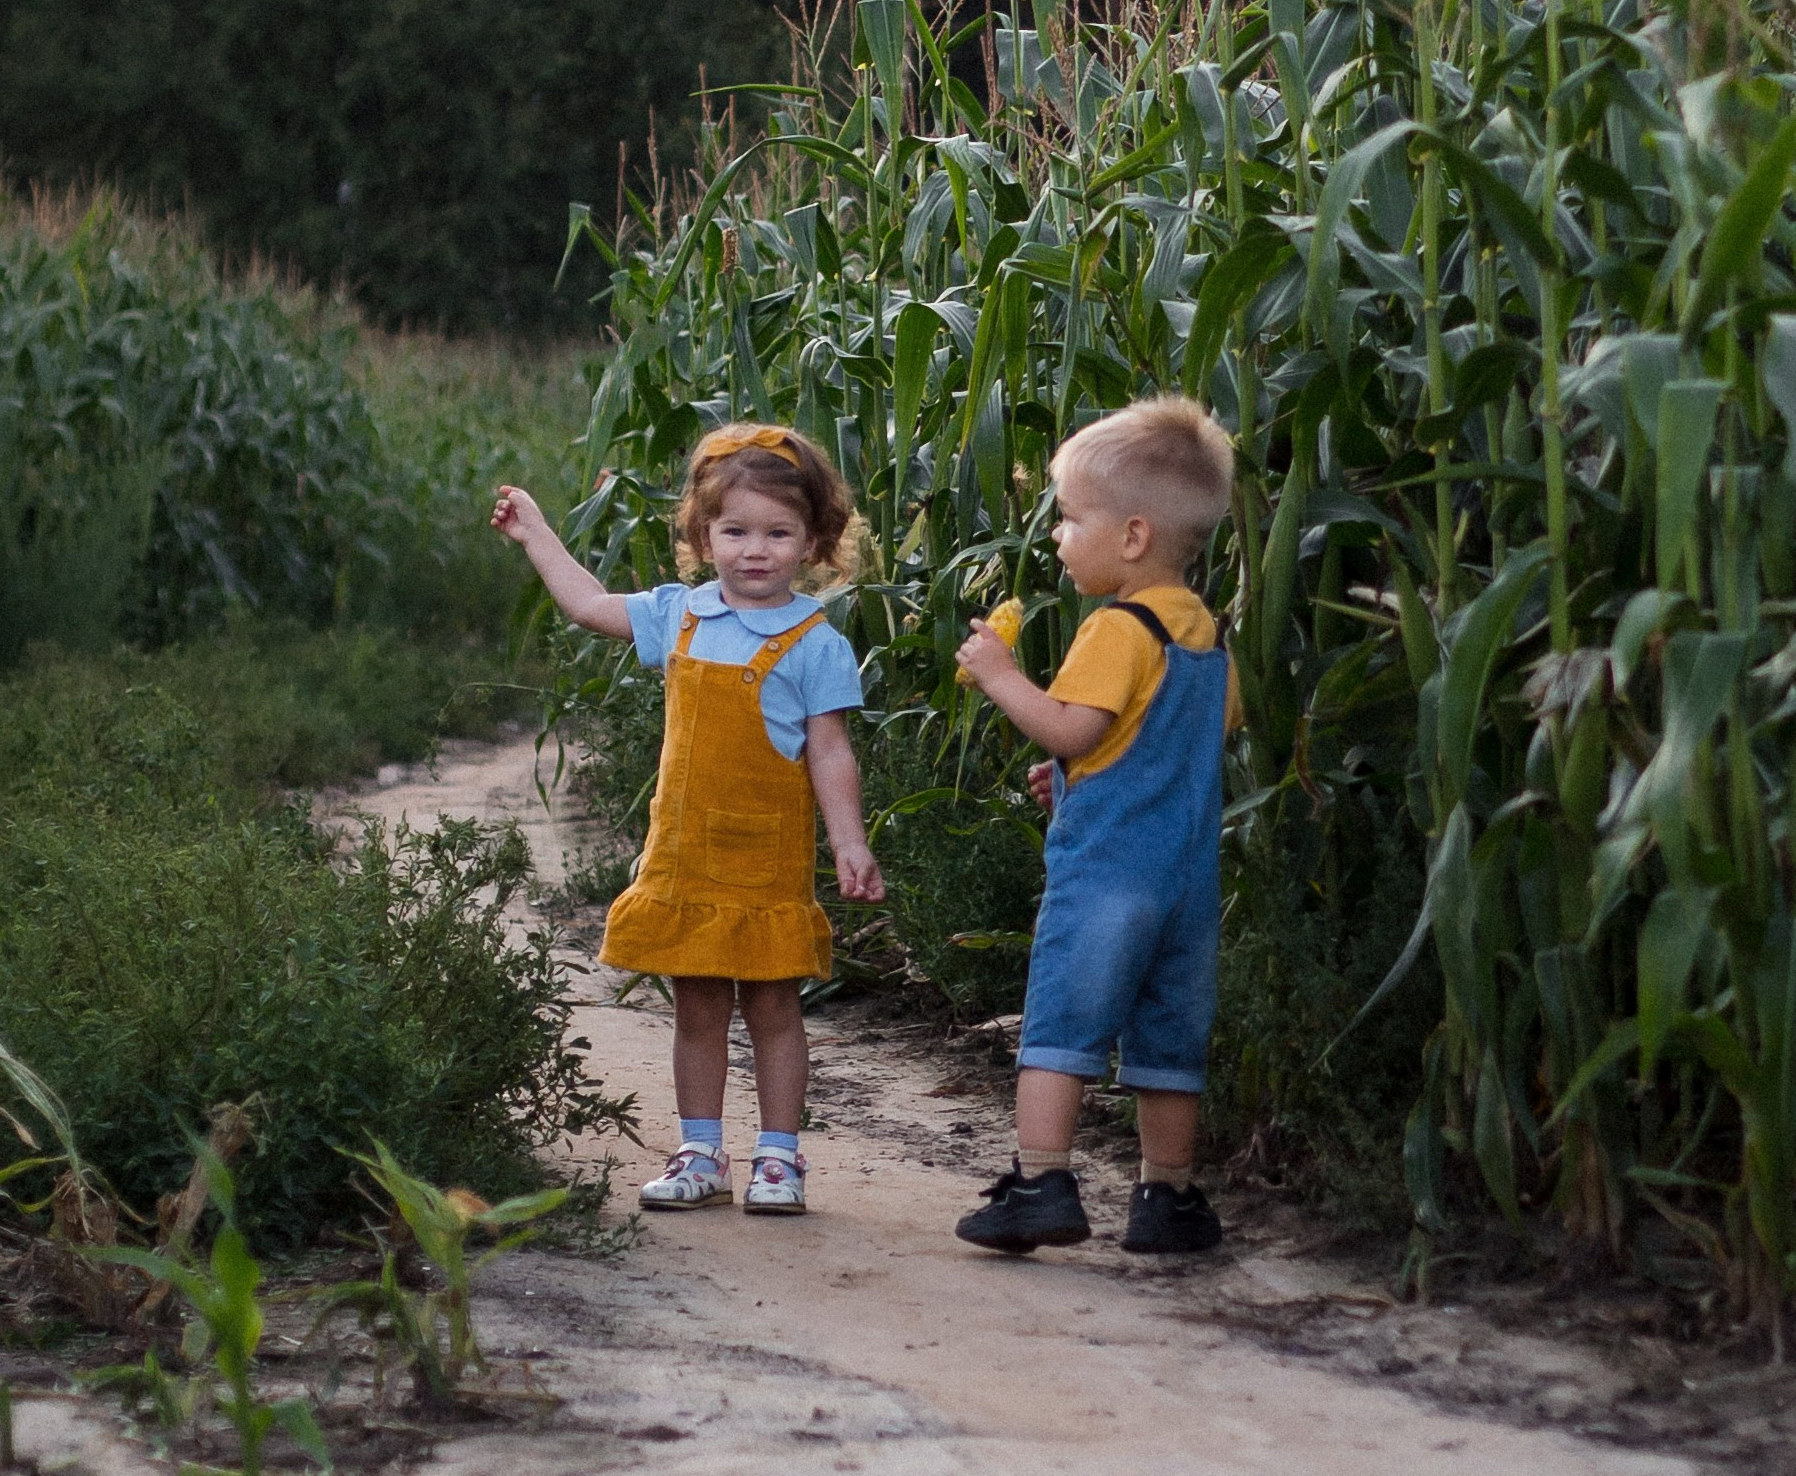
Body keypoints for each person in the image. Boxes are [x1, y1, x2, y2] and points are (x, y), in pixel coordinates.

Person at [491, 422, 882, 1219]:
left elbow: (830, 752)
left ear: (814, 541)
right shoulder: (680, 615)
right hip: (685, 854)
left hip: (765, 861)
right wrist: (535, 532)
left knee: (773, 1008)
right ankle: (700, 1151)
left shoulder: (815, 642)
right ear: (703, 538)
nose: (754, 550)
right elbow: (586, 603)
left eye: (777, 533)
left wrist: (849, 842)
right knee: (696, 1006)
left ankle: (779, 1156)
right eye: (734, 531)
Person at [949, 396, 1237, 1259]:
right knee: (1167, 1041)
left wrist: (1000, 674)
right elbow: (1177, 741)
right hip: (1186, 882)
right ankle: (1167, 1196)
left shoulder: (1117, 626)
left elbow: (1071, 727)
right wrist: (1078, 780)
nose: (1057, 535)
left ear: (1133, 536)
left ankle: (1040, 1182)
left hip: (1107, 872)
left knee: (1061, 1023)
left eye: (1072, 519)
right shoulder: (1205, 632)